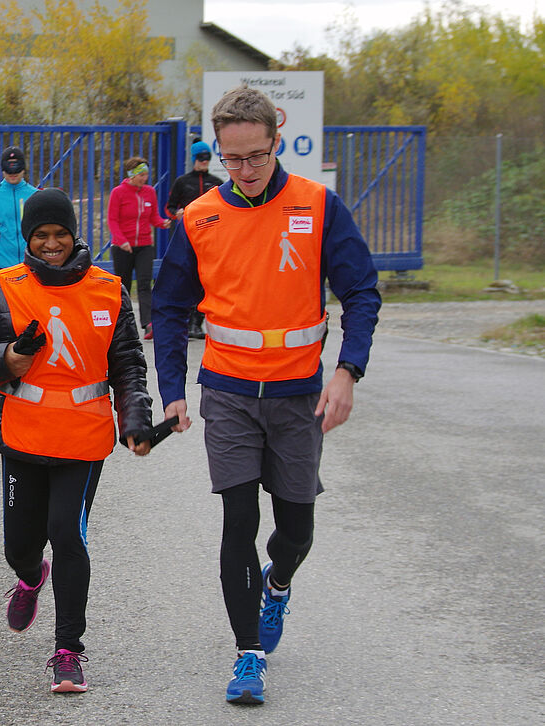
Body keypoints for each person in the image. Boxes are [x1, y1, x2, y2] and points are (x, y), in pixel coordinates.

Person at [151, 86, 381, 705]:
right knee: (238, 520)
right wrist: (172, 390)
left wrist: (347, 372)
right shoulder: (199, 217)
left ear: (276, 143)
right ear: (218, 152)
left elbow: (361, 292)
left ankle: (278, 581)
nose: (246, 171)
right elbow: (168, 308)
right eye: (233, 159)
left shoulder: (318, 205)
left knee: (295, 531)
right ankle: (247, 654)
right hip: (227, 389)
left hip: (299, 392)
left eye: (256, 156)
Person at [0, 187, 153, 694]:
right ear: (29, 238)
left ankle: (68, 650)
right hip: (23, 436)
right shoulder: (2, 288)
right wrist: (9, 358)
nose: (51, 244)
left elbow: (129, 364)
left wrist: (134, 419)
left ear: (74, 234)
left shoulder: (109, 290)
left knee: (68, 533)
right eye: (41, 235)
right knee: (20, 546)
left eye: (60, 234)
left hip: (84, 441)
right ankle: (29, 577)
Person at [164, 141, 224, 340]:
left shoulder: (216, 181)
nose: (204, 162)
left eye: (207, 158)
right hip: (188, 236)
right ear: (193, 159)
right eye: (200, 159)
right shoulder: (182, 182)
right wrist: (177, 214)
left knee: (207, 279)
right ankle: (186, 321)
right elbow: (169, 208)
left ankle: (198, 323)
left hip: (211, 238)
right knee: (188, 278)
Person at [107, 156, 170, 341]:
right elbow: (112, 220)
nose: (145, 178)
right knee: (123, 286)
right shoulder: (118, 192)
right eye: (141, 174)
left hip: (144, 245)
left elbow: (153, 218)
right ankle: (122, 323)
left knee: (144, 284)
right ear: (132, 174)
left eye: (146, 175)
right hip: (122, 247)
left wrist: (163, 223)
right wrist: (121, 240)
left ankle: (148, 323)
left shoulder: (150, 192)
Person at [0, 146, 38, 273]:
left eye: (17, 171)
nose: (13, 175)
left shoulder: (36, 196)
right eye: (9, 171)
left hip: (31, 266)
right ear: (3, 170)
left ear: (24, 169)